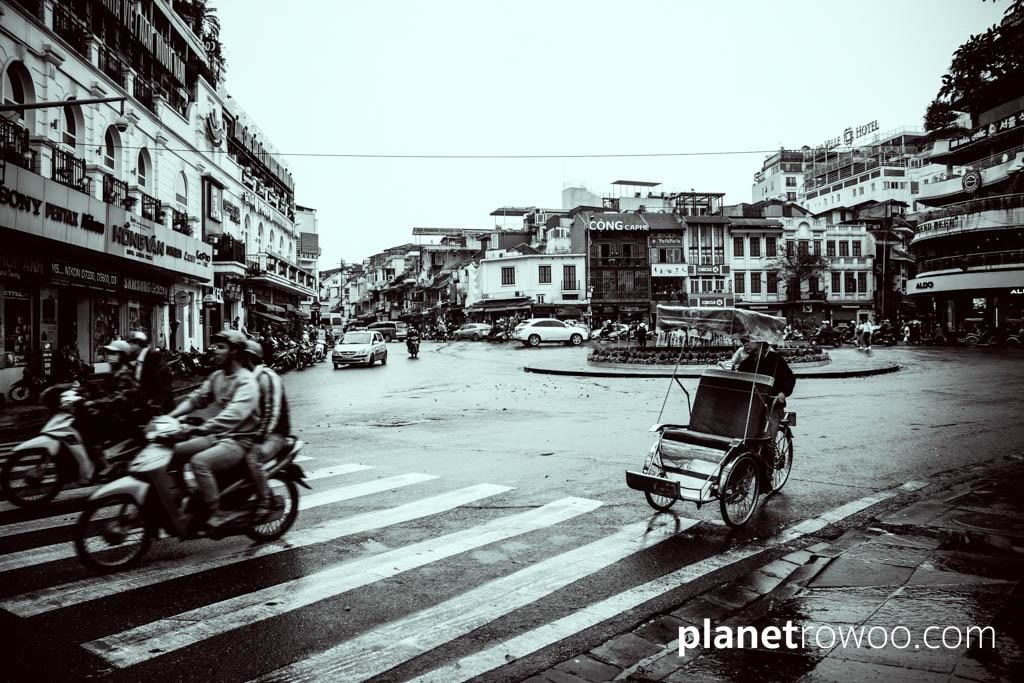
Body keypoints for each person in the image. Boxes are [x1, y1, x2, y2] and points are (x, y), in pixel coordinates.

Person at [167, 330, 260, 526]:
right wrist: (170, 417)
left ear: (234, 351)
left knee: (199, 462)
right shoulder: (218, 376)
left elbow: (233, 415)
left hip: (239, 440)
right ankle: (188, 495)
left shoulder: (246, 381)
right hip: (218, 436)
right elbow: (197, 398)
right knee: (173, 451)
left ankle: (216, 512)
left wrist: (201, 428)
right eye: (215, 346)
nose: (215, 351)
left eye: (221, 347)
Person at [241, 340, 290, 519]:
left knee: (251, 456)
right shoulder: (246, 378)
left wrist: (259, 436)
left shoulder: (267, 377)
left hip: (275, 435)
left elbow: (272, 412)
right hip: (253, 433)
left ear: (249, 358)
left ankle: (264, 501)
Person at [733, 336, 796, 446]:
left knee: (767, 441)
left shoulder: (776, 359)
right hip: (752, 406)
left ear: (760, 342)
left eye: (748, 341)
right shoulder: (746, 363)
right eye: (743, 341)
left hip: (772, 406)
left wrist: (783, 393)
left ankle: (770, 459)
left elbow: (789, 378)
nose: (745, 344)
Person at [127, 331, 173, 415]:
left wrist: (157, 404)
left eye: (130, 343)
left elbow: (162, 382)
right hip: (144, 406)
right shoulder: (136, 358)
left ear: (137, 343)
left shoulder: (154, 355)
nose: (128, 346)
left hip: (159, 407)